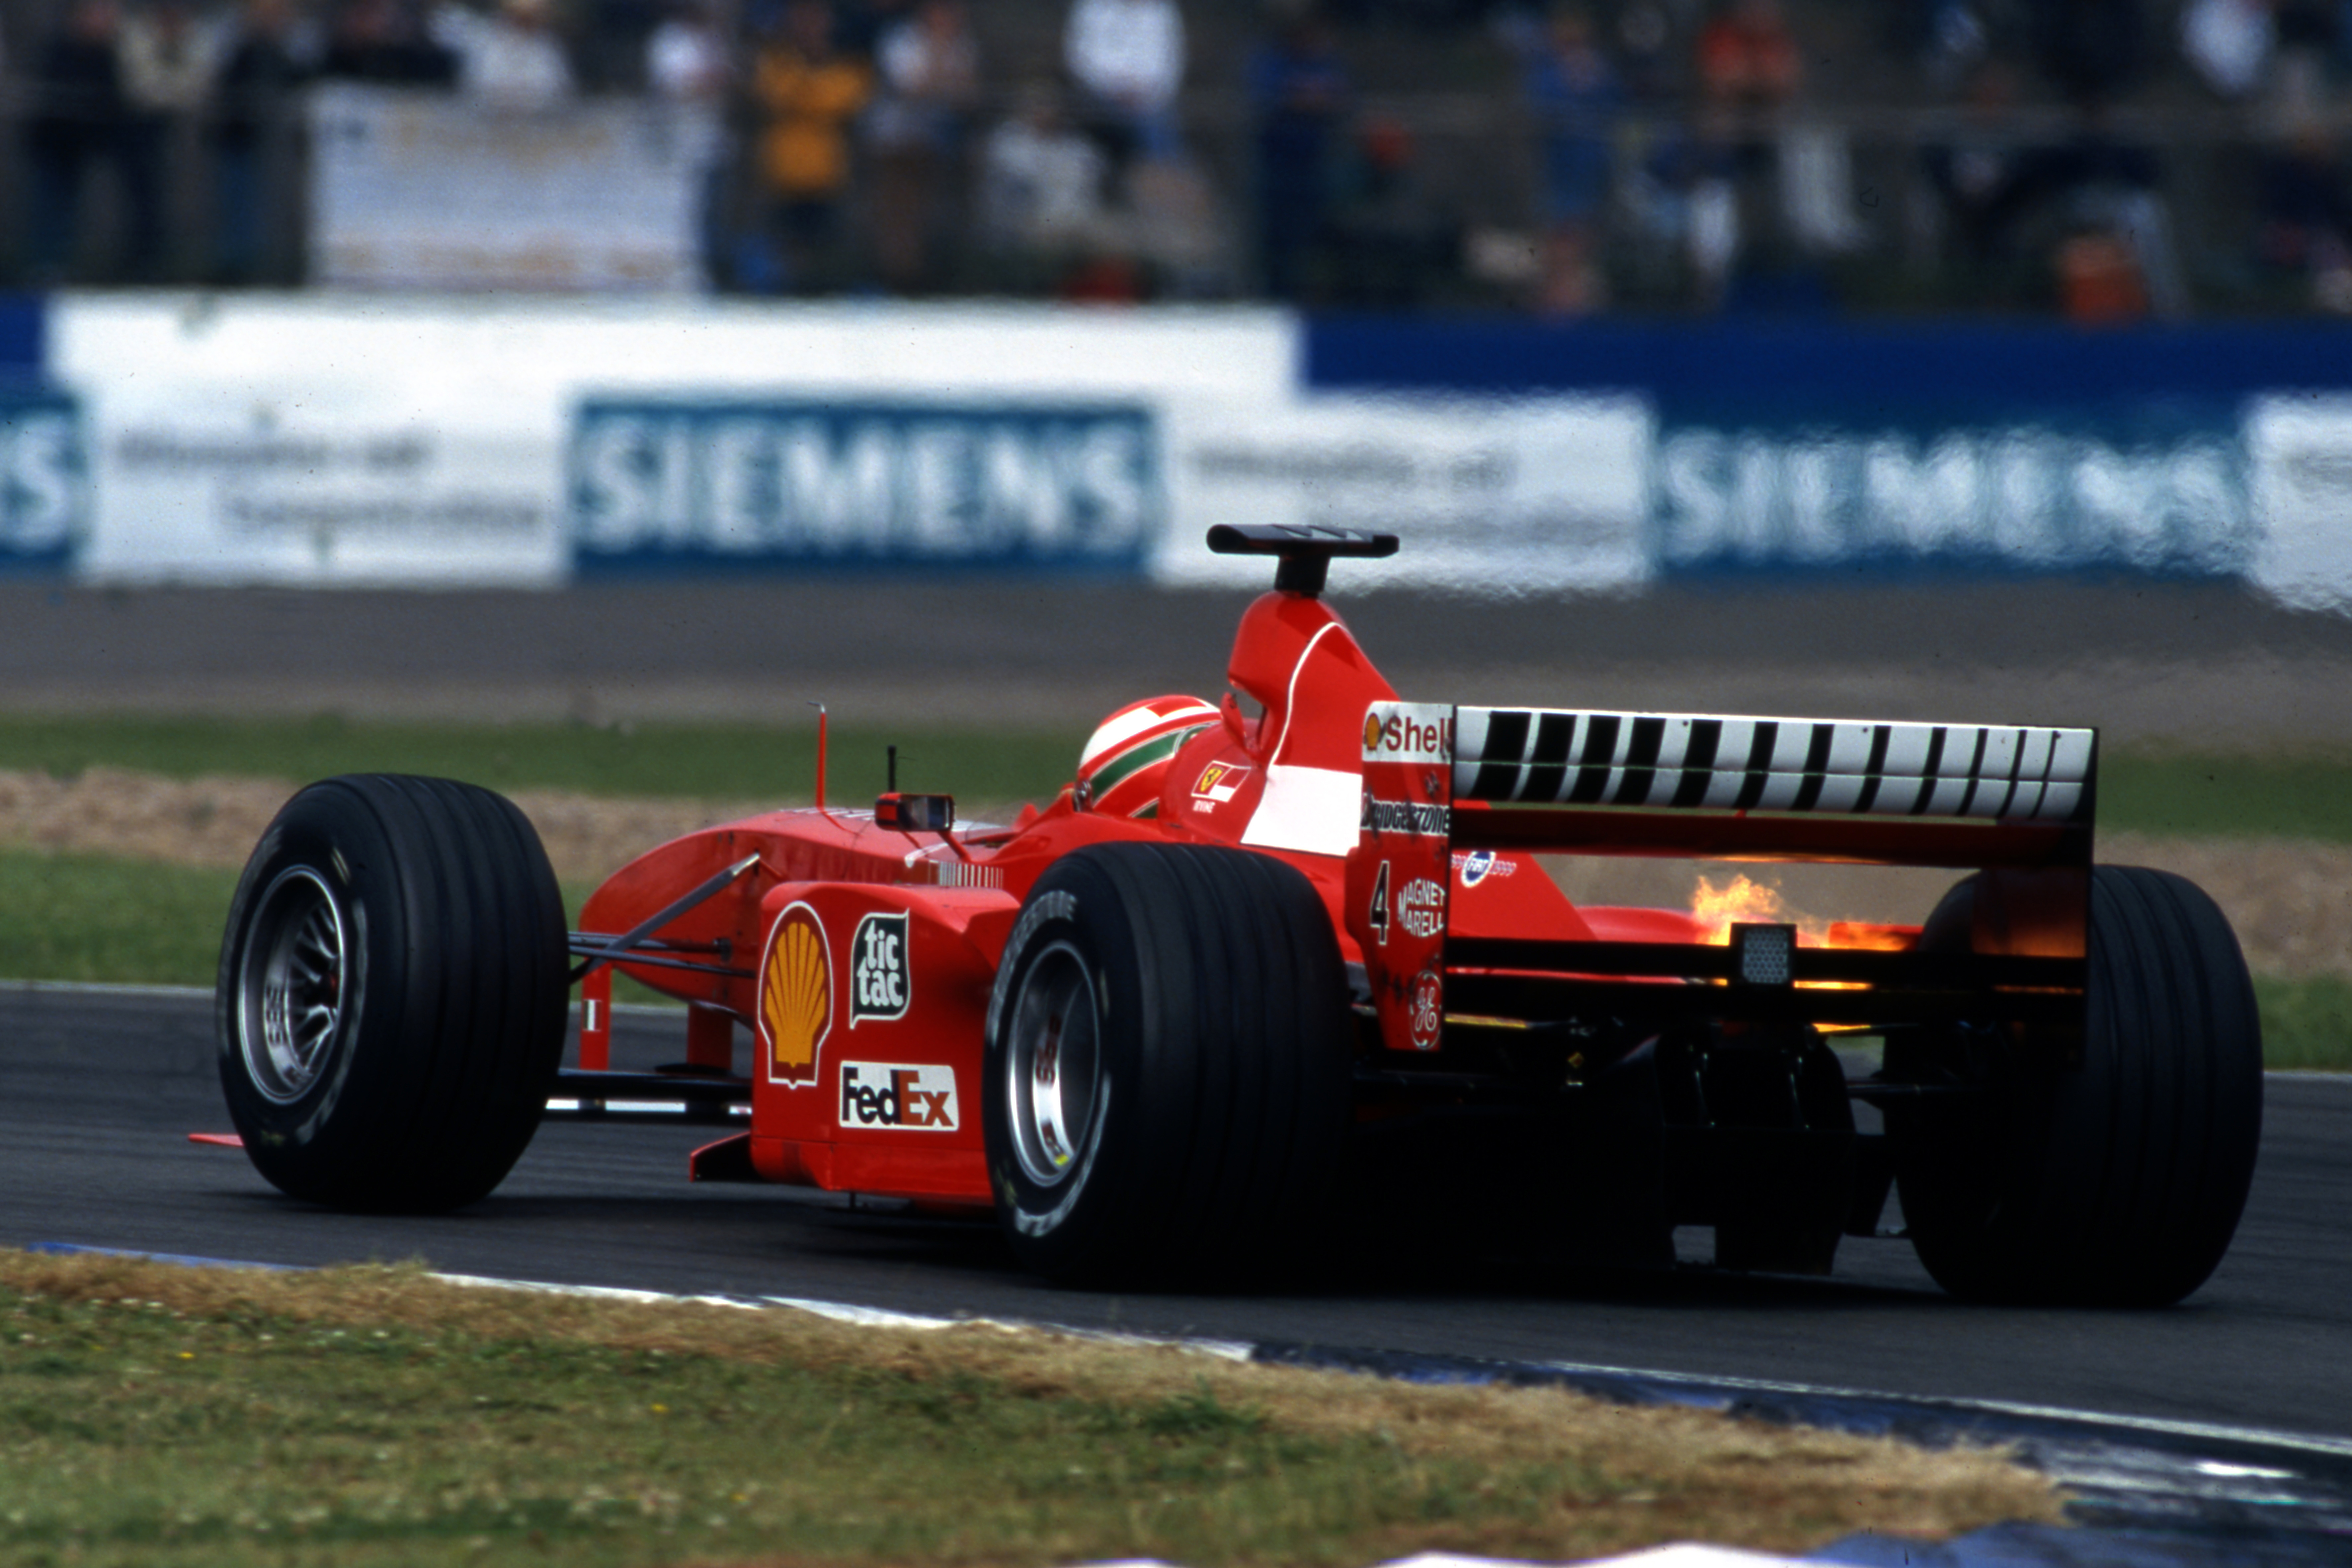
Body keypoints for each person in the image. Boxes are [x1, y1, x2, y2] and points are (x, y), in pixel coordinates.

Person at [749, 0, 871, 291]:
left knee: (826, 246)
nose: (809, 26)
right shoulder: (776, 57)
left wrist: (803, 95)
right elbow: (775, 93)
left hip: (828, 174)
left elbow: (846, 97)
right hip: (783, 174)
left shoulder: (846, 59)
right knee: (785, 247)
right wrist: (814, 95)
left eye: (816, 18)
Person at [865, 0, 978, 293]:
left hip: (939, 140)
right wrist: (939, 58)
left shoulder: (962, 43)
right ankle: (894, 279)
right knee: (899, 213)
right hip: (897, 139)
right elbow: (911, 88)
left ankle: (926, 276)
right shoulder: (901, 39)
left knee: (932, 213)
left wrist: (939, 81)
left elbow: (967, 94)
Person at [120, 0, 228, 280]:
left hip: (194, 132)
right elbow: (141, 87)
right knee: (144, 198)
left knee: (194, 199)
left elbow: (200, 82)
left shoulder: (200, 36)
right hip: (143, 128)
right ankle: (143, 263)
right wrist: (173, 95)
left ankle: (195, 265)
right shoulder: (137, 35)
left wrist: (173, 95)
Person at [23, 0, 129, 282]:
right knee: (47, 205)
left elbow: (111, 102)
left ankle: (65, 264)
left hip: (82, 147)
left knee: (72, 208)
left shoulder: (107, 56)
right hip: (52, 144)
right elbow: (50, 97)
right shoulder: (60, 49)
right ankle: (44, 263)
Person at [1247, 5, 1345, 301]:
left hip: (1316, 162)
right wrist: (1303, 98)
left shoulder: (1328, 63)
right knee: (1276, 239)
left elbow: (1339, 97)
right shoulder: (1271, 60)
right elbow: (1269, 97)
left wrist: (1304, 98)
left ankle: (1315, 292)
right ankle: (1274, 293)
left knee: (1316, 236)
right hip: (1276, 164)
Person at [209, 0, 312, 283]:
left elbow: (303, 81)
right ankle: (237, 265)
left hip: (286, 147)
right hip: (241, 141)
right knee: (239, 203)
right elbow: (223, 83)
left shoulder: (292, 48)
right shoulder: (235, 44)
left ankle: (287, 265)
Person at [1063, 0, 1183, 167]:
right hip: (1099, 93)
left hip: (1148, 97)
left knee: (1157, 121)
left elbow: (1171, 63)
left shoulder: (1160, 10)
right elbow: (1081, 60)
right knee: (1143, 124)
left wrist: (1145, 91)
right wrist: (1116, 87)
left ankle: (1160, 175)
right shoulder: (1093, 7)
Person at [435, 0, 574, 106]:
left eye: (532, 18)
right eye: (522, 17)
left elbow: (557, 87)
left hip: (538, 123)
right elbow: (478, 82)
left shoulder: (548, 47)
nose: (526, 23)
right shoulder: (487, 43)